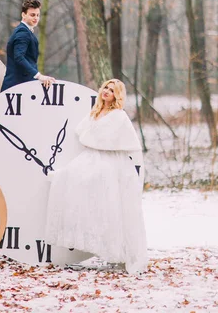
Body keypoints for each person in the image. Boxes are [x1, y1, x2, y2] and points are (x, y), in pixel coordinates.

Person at [44, 79, 148, 274]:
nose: (107, 92)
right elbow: (83, 133)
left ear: (117, 95)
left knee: (108, 203)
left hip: (108, 160)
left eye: (111, 90)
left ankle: (118, 250)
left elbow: (115, 141)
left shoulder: (119, 116)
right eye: (105, 88)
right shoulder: (95, 113)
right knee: (68, 179)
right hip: (91, 156)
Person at [0, 0, 55, 91]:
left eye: (38, 15)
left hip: (19, 87)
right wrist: (39, 76)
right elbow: (19, 57)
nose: (36, 18)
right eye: (32, 15)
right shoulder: (23, 32)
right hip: (17, 88)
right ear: (23, 15)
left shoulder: (25, 31)